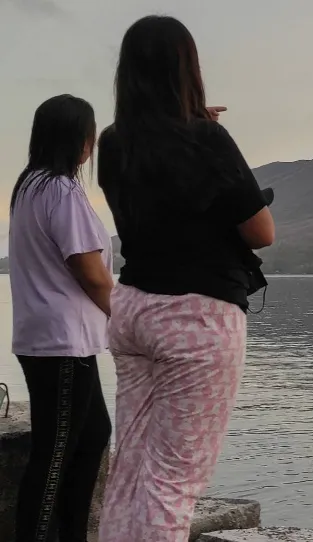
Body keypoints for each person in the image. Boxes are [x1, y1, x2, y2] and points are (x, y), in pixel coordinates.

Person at [94, 15, 275, 542]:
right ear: (187, 69)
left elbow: (158, 176)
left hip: (132, 310)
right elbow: (261, 231)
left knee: (129, 471)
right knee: (174, 482)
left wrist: (193, 131)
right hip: (196, 318)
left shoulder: (112, 143)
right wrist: (205, 135)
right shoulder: (208, 140)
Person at [8, 94, 114, 542]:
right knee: (55, 454)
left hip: (49, 337)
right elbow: (90, 272)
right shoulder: (62, 190)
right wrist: (129, 317)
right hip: (62, 340)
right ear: (81, 141)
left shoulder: (29, 186)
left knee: (92, 437)